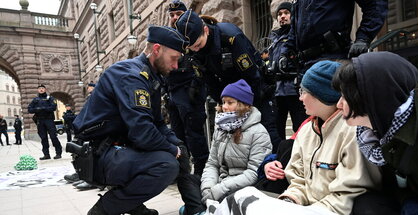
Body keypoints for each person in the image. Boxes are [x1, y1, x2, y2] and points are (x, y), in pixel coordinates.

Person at [73, 25, 189, 215]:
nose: (176, 66)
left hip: (115, 148)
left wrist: (178, 145)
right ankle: (103, 210)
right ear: (157, 49)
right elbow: (142, 132)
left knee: (175, 155)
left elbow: (157, 123)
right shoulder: (131, 75)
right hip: (98, 154)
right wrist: (172, 150)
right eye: (174, 59)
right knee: (166, 165)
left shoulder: (151, 77)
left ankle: (134, 207)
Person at [331, 51, 418, 214]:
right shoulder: (378, 135)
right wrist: (409, 200)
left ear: (373, 98)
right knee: (367, 204)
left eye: (345, 97)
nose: (338, 105)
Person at [275, 60, 381, 214]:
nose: (300, 98)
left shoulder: (354, 132)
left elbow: (350, 194)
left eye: (303, 91)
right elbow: (298, 179)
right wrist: (290, 200)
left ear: (321, 95)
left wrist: (310, 212)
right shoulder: (305, 131)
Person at [175, 10, 282, 152]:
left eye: (198, 44)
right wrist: (225, 104)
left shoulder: (230, 37)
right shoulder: (194, 50)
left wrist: (248, 108)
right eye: (192, 47)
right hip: (230, 96)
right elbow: (210, 82)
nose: (196, 49)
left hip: (256, 92)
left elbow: (252, 76)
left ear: (206, 30)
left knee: (268, 135)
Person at [177, 79, 272, 215]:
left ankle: (198, 209)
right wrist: (207, 188)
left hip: (241, 187)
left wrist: (218, 190)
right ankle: (203, 210)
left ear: (243, 105)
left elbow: (253, 174)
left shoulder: (258, 132)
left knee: (188, 208)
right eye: (223, 102)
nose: (224, 107)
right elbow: (212, 164)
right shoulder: (221, 128)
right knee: (187, 179)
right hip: (218, 183)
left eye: (230, 102)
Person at [278, 0, 388, 90]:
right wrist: (286, 52)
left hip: (332, 60)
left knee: (336, 113)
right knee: (314, 115)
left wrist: (363, 37)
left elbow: (375, 5)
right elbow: (295, 27)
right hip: (306, 66)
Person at [166, 0, 210, 175]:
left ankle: (201, 171)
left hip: (190, 92)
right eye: (172, 15)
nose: (175, 18)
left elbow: (202, 64)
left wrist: (196, 87)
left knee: (195, 136)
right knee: (177, 137)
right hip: (173, 94)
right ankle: (183, 172)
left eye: (178, 14)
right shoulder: (169, 38)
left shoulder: (192, 34)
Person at [268, 2, 307, 139]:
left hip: (294, 88)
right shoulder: (274, 39)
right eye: (279, 14)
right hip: (278, 91)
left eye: (286, 13)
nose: (282, 16)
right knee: (277, 128)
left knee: (300, 126)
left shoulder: (297, 35)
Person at [28, 84, 62, 160]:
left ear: (45, 89)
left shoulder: (50, 98)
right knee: (43, 138)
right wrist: (38, 109)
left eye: (42, 88)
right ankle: (46, 155)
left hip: (49, 120)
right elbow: (30, 109)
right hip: (40, 121)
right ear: (38, 90)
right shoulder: (35, 100)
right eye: (39, 88)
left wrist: (42, 108)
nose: (41, 89)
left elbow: (53, 107)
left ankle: (58, 153)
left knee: (53, 136)